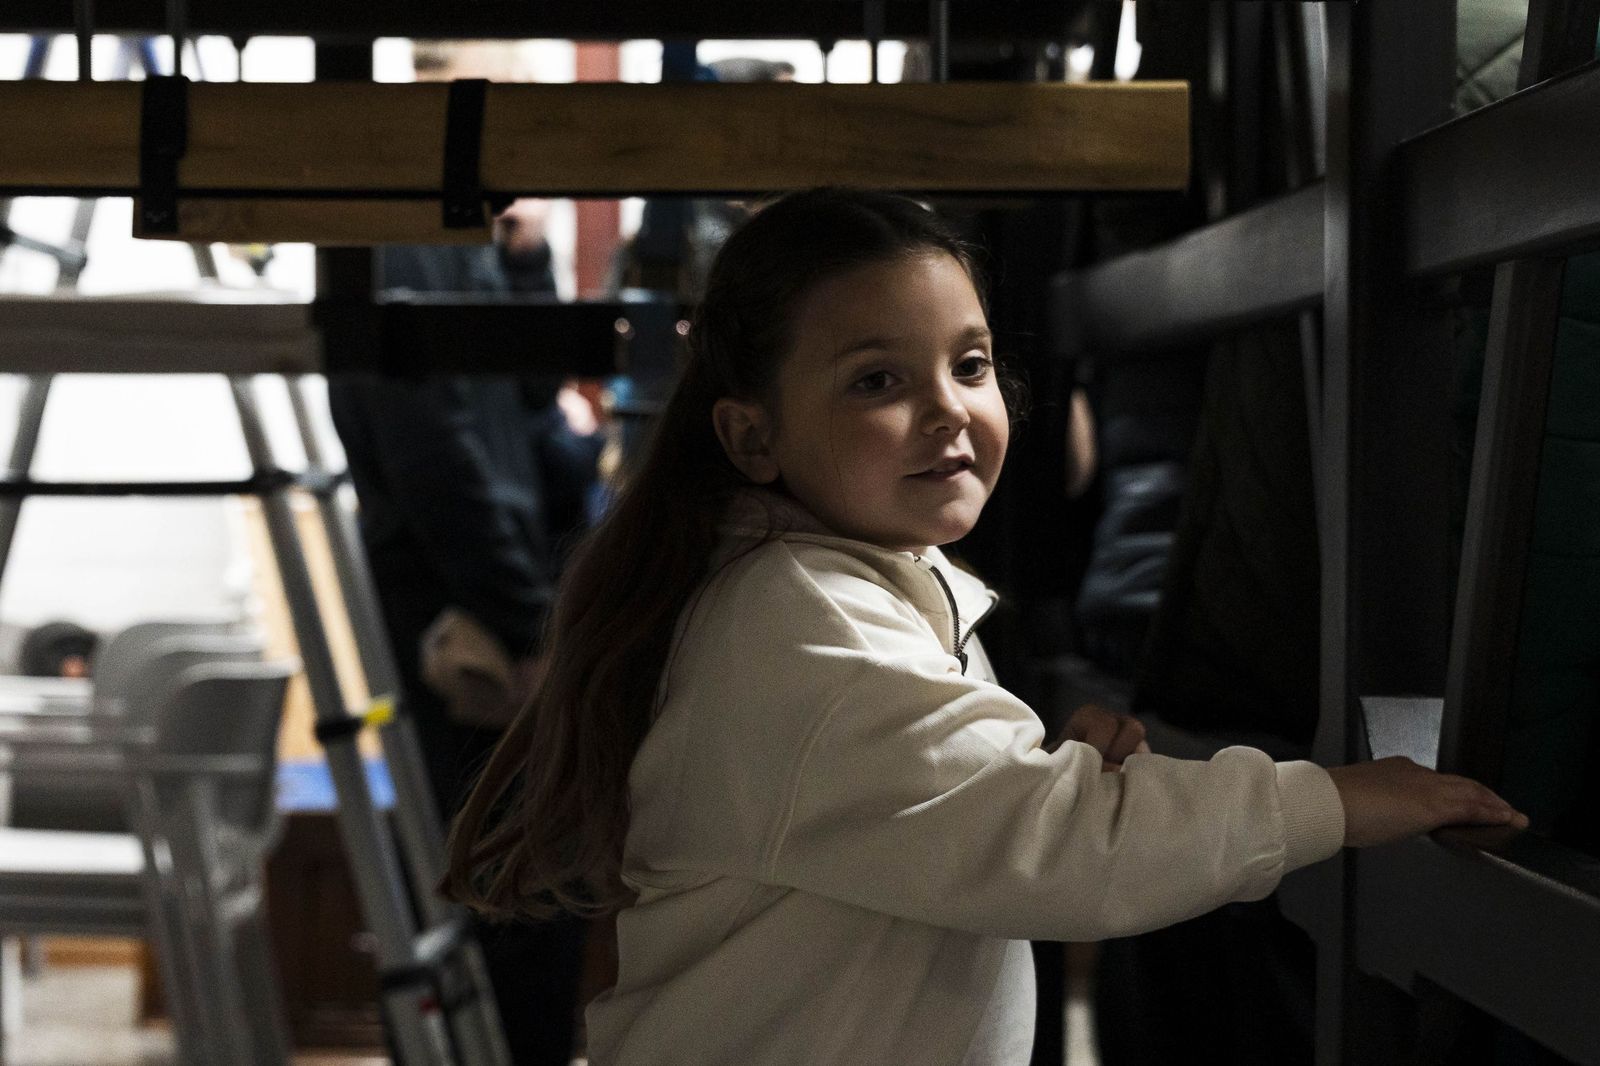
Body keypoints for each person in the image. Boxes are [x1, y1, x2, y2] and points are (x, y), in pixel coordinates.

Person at [443, 188, 1528, 1066]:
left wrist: (1035, 773)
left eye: (967, 364)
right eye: (878, 379)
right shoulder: (801, 626)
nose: (949, 407)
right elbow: (1058, 851)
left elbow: (968, 821)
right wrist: (1335, 798)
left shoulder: (861, 586)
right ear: (752, 435)